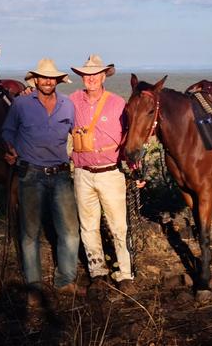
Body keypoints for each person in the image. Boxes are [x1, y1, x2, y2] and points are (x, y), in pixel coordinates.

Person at [2, 58, 85, 303]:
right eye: (43, 77)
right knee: (30, 234)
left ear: (57, 81)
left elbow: (80, 132)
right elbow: (7, 130)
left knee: (70, 232)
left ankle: (66, 280)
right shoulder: (21, 104)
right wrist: (10, 148)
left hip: (60, 174)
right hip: (30, 174)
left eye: (52, 78)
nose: (48, 81)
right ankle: (34, 288)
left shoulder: (67, 105)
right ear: (36, 80)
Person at [68, 55, 136, 295]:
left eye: (96, 74)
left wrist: (136, 168)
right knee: (88, 226)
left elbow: (133, 136)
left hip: (110, 173)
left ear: (104, 76)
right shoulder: (72, 101)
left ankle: (126, 273)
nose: (91, 79)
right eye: (87, 74)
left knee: (119, 226)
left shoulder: (118, 104)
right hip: (83, 173)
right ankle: (98, 272)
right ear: (82, 77)